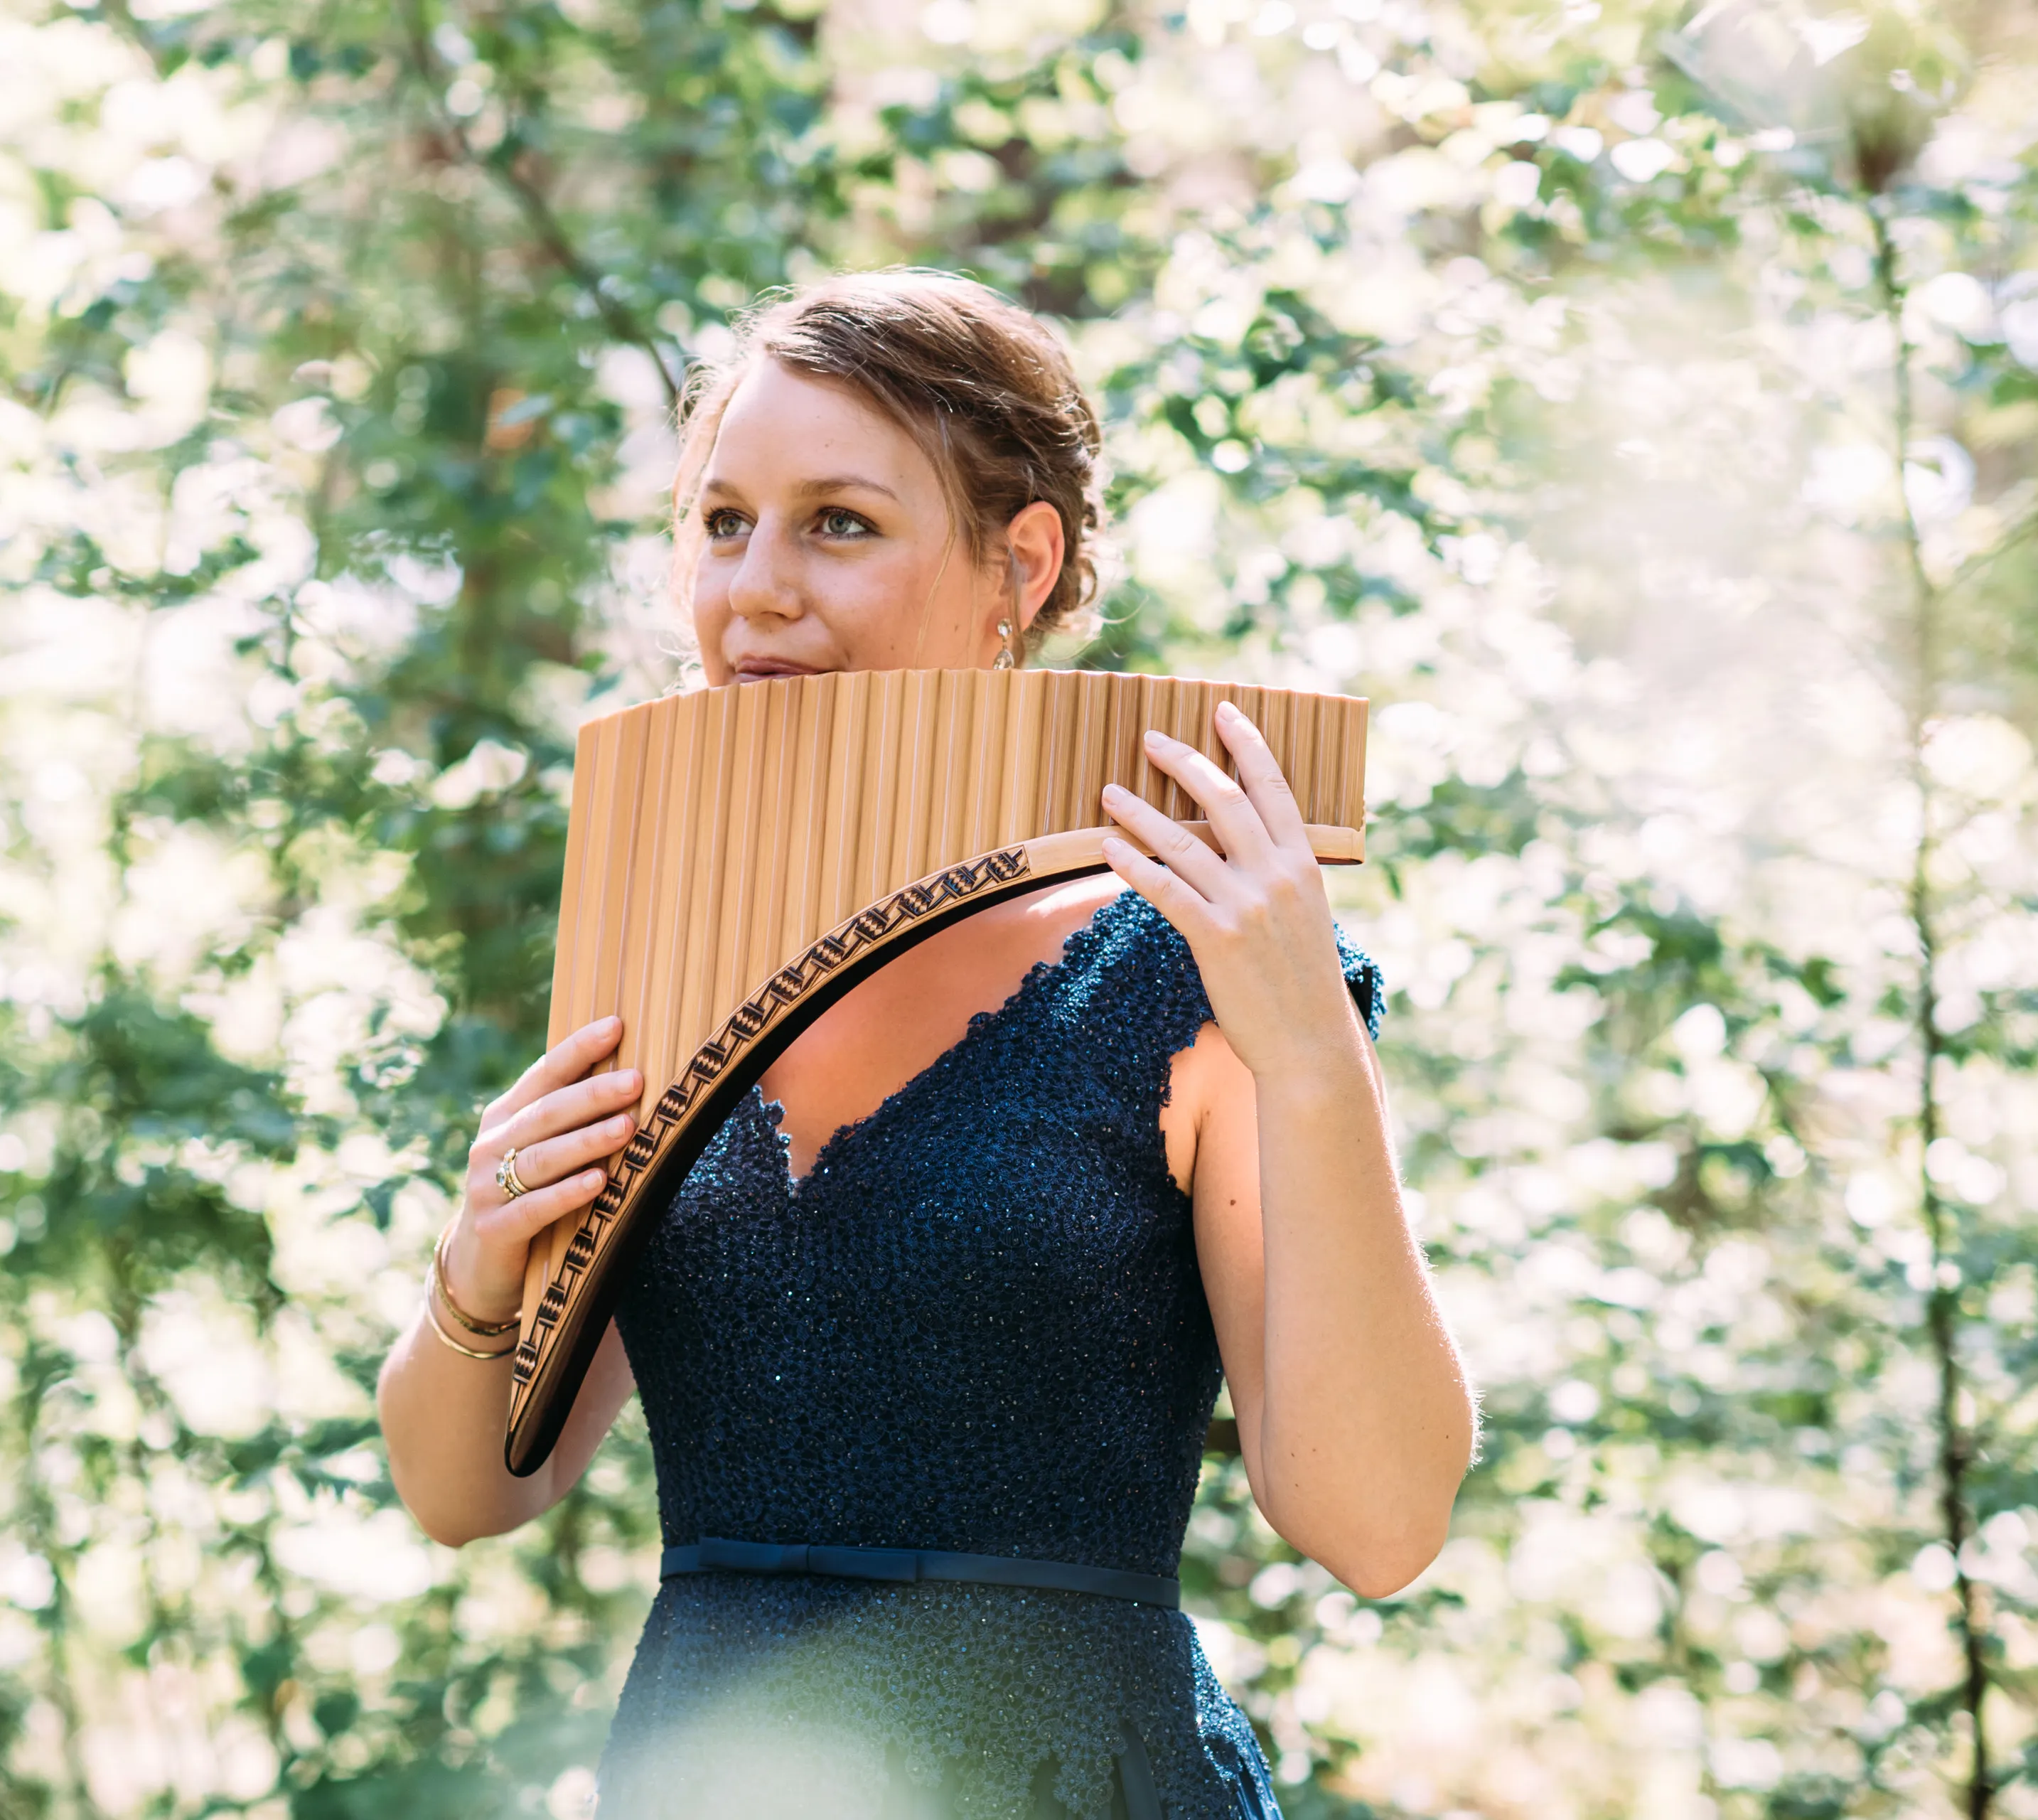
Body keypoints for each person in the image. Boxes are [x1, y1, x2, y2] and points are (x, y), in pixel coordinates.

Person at [377, 269, 1474, 1819]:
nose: (755, 587)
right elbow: (468, 1488)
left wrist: (1306, 1050)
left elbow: (1381, 1523)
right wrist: (475, 1274)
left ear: (1015, 566)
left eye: (839, 521)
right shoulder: (664, 947)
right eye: (721, 520)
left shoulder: (1179, 970)